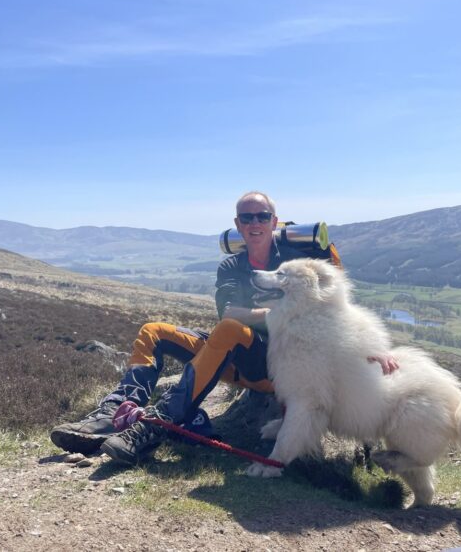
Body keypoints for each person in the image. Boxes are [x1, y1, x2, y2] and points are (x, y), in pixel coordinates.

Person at [50, 191, 397, 465]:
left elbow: (336, 304)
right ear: (238, 223)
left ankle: (153, 426)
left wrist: (370, 348)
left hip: (282, 366)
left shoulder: (297, 256)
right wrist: (286, 310)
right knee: (153, 331)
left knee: (230, 328)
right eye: (247, 217)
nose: (255, 222)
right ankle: (113, 413)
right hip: (239, 353)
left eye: (262, 216)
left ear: (274, 221)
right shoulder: (232, 265)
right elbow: (230, 310)